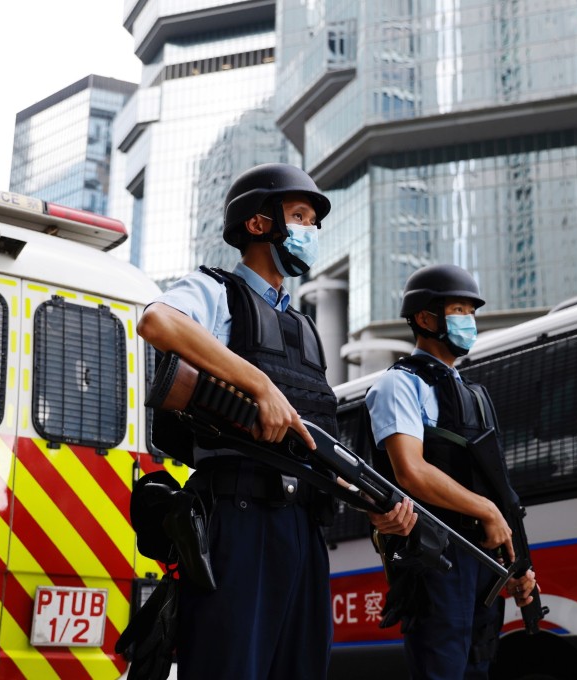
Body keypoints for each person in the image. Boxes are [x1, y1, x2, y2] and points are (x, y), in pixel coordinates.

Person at [137, 163, 416, 680]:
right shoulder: (215, 291)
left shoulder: (306, 330)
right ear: (260, 224)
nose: (311, 230)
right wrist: (259, 386)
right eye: (300, 215)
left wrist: (376, 507)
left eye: (313, 221)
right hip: (240, 516)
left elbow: (314, 436)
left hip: (304, 528)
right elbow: (156, 320)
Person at [365, 263, 538, 679]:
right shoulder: (399, 385)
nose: (469, 321)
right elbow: (410, 471)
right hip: (437, 556)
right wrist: (487, 512)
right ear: (425, 319)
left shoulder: (473, 394)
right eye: (459, 310)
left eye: (472, 312)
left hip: (483, 559)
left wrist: (518, 564)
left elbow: (497, 485)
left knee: (478, 665)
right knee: (442, 668)